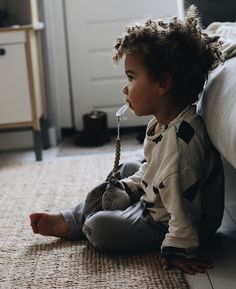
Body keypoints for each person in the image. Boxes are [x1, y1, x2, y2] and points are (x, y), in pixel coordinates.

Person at [30, 6, 224, 274]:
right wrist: (131, 187)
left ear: (162, 84)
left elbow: (183, 204)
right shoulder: (167, 121)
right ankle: (73, 217)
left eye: (131, 77)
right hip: (163, 197)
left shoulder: (181, 147)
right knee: (131, 168)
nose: (125, 87)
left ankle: (80, 222)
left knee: (99, 227)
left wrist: (179, 248)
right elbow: (153, 170)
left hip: (173, 221)